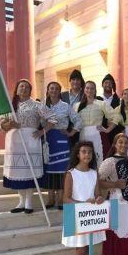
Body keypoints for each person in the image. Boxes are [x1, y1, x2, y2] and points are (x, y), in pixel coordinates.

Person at [0, 79, 57, 214]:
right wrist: (10, 124)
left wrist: (42, 131)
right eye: (21, 86)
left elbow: (53, 118)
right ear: (17, 89)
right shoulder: (9, 105)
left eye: (26, 87)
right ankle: (21, 201)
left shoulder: (36, 105)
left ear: (30, 90)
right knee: (18, 172)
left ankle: (29, 201)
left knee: (29, 171)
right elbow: (1, 126)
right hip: (14, 142)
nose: (23, 89)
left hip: (31, 140)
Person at [61, 141, 106, 255]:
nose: (87, 155)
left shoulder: (94, 173)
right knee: (80, 251)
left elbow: (97, 194)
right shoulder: (71, 173)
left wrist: (99, 199)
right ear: (78, 154)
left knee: (88, 250)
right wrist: (82, 204)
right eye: (84, 152)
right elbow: (65, 198)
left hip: (90, 216)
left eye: (90, 152)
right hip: (76, 214)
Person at [43, 81, 83, 210]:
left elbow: (78, 120)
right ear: (48, 90)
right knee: (49, 169)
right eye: (51, 88)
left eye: (56, 88)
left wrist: (71, 133)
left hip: (61, 139)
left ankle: (60, 199)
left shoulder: (65, 106)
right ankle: (50, 198)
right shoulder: (43, 105)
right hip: (47, 140)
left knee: (61, 170)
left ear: (59, 91)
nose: (53, 90)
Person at [74, 81, 120, 165]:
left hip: (96, 135)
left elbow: (116, 117)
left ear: (95, 91)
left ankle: (97, 178)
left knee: (97, 161)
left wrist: (107, 130)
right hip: (82, 135)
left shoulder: (101, 104)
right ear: (84, 89)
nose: (89, 90)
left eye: (92, 88)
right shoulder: (77, 105)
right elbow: (73, 120)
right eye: (87, 88)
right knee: (83, 160)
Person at [61, 69, 85, 148]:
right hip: (66, 128)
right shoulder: (63, 95)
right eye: (73, 79)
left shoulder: (85, 95)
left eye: (78, 79)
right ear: (70, 81)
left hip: (81, 128)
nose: (75, 82)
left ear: (81, 81)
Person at [96, 73, 122, 145]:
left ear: (113, 85)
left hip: (115, 132)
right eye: (106, 82)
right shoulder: (97, 99)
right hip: (99, 131)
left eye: (111, 83)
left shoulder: (119, 100)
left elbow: (121, 115)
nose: (108, 85)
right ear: (102, 84)